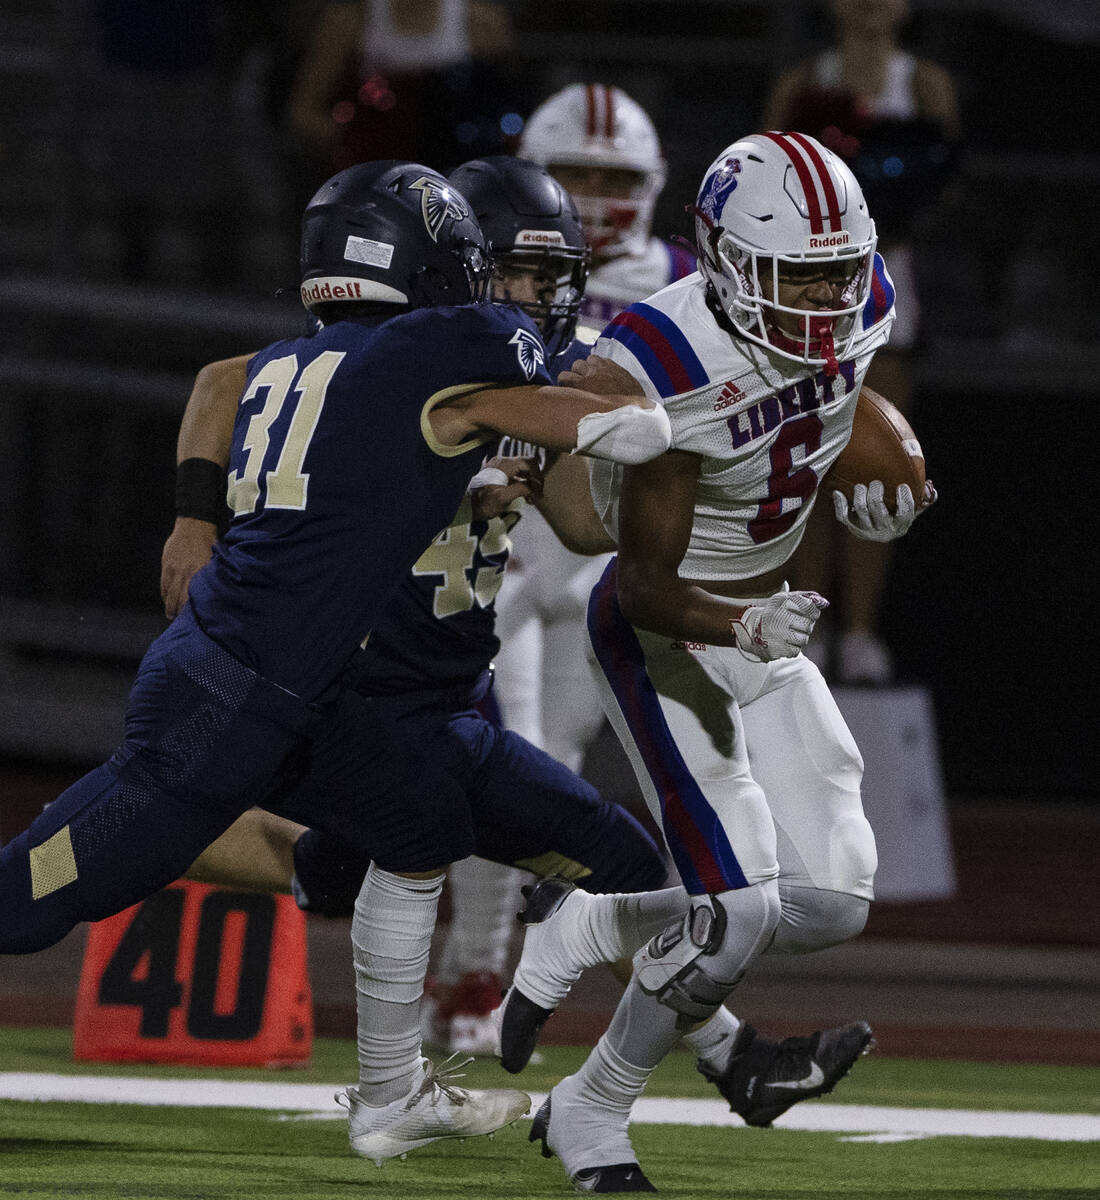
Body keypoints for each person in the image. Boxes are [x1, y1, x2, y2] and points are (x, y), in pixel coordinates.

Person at [0, 159, 672, 1164]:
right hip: (229, 697)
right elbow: (626, 428)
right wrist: (647, 393)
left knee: (417, 823)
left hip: (274, 682)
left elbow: (366, 458)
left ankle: (391, 1096)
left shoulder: (303, 361)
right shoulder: (434, 348)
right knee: (34, 895)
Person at [498, 131, 937, 1192]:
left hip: (764, 617)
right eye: (798, 275)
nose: (827, 299)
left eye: (840, 270)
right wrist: (740, 626)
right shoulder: (664, 361)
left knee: (832, 899)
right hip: (666, 630)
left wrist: (872, 483)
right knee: (734, 909)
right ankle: (592, 1113)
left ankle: (591, 924)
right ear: (727, 260)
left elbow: (835, 410)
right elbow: (639, 580)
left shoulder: (861, 301)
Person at [164, 156, 668, 1060]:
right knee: (468, 835)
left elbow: (588, 518)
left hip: (431, 661)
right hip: (347, 651)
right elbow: (222, 381)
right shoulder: (388, 347)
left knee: (340, 862)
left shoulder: (538, 360)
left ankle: (713, 1044)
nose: (533, 295)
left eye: (549, 275)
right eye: (515, 271)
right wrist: (193, 522)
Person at [441, 86, 699, 1022]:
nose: (593, 195)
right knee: (513, 756)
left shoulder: (687, 282)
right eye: (575, 174)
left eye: (613, 177)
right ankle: (480, 973)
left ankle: (478, 970)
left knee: (558, 763)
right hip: (501, 533)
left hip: (600, 547)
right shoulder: (485, 267)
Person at [761, 0, 959, 683]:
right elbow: (762, 181)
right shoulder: (799, 84)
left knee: (879, 458)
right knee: (806, 461)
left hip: (887, 274)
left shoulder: (925, 84)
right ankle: (810, 621)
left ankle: (862, 632)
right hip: (807, 286)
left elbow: (941, 183)